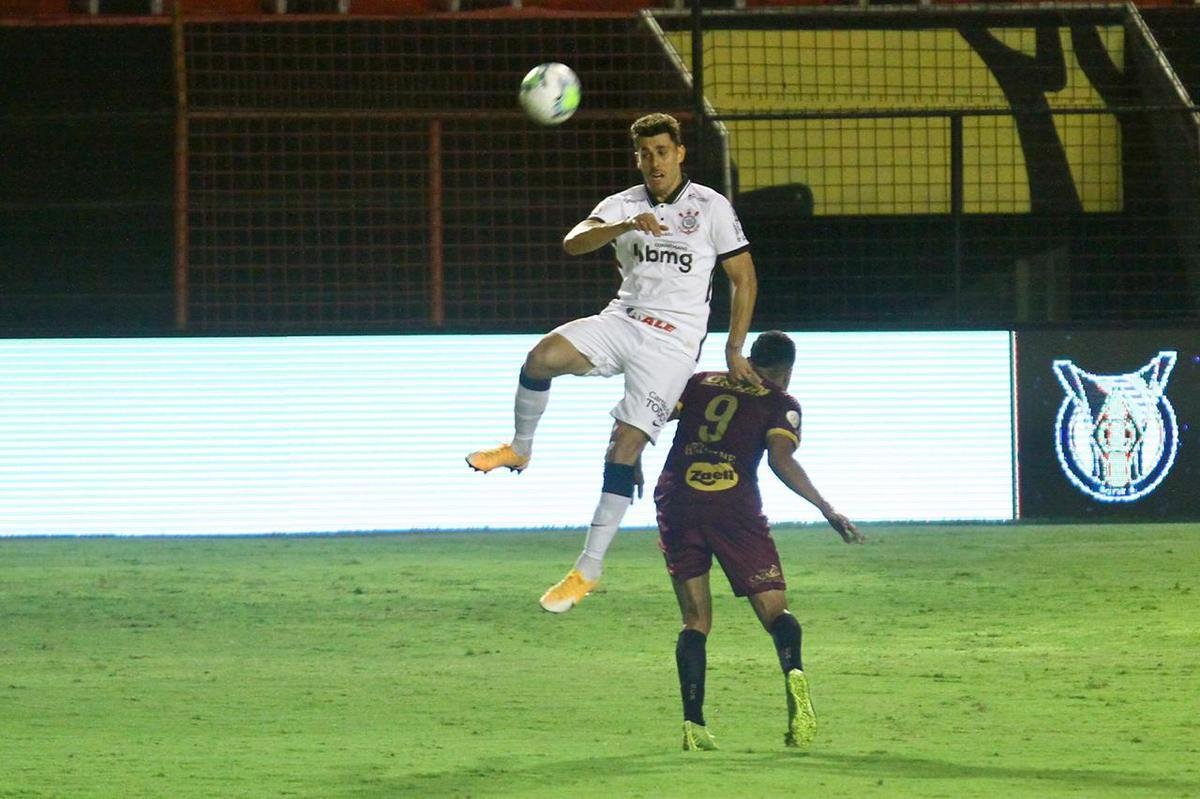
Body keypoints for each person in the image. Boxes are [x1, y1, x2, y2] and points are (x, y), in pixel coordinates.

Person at [466, 112, 760, 614]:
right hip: (622, 319)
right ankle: (519, 449)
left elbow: (744, 278)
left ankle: (588, 569)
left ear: (680, 153)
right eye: (645, 154)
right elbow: (573, 242)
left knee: (623, 448)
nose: (654, 162)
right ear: (637, 158)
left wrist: (734, 347)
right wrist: (623, 226)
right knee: (540, 358)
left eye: (662, 152)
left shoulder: (711, 206)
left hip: (673, 343)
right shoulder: (621, 205)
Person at [653, 330, 863, 751]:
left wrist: (622, 459)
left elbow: (649, 415)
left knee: (696, 621)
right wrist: (826, 508)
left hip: (679, 500)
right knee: (775, 610)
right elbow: (780, 460)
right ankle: (794, 674)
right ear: (787, 371)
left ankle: (694, 726)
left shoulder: (700, 382)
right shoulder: (780, 402)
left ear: (749, 358)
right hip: (734, 507)